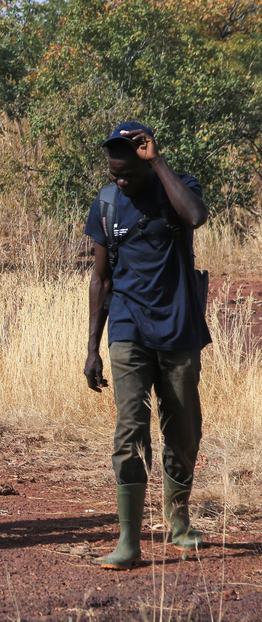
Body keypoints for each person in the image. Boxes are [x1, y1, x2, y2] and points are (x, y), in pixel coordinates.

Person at [83, 121, 209, 570]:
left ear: (146, 161)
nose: (120, 181)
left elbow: (195, 216)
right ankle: (128, 541)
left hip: (178, 328)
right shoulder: (107, 202)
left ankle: (179, 522)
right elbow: (100, 277)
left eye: (129, 174)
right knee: (130, 428)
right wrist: (92, 347)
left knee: (183, 430)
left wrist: (157, 163)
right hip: (127, 326)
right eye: (114, 173)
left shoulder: (177, 186)